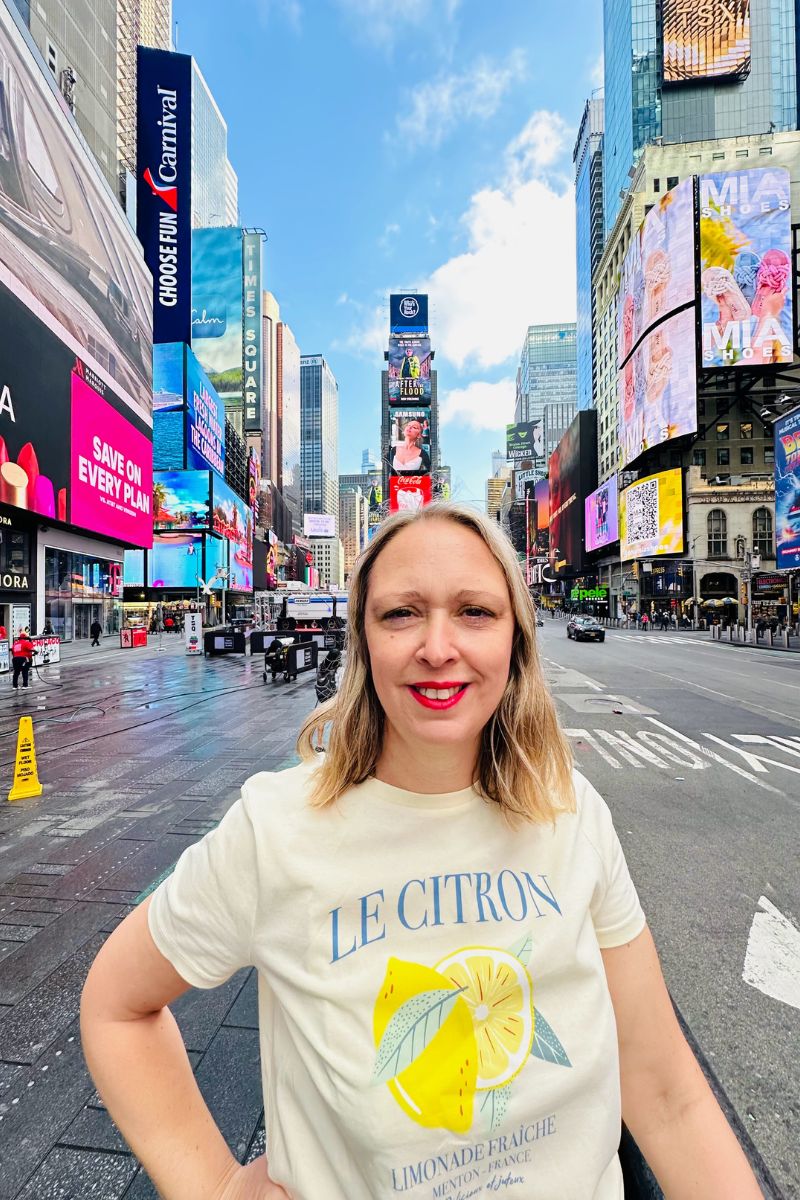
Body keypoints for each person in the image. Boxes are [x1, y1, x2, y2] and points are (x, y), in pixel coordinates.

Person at [80, 503, 763, 1200]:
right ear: (362, 640)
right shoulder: (276, 828)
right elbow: (116, 1005)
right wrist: (217, 1186)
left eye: (475, 612)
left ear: (517, 642)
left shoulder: (572, 811)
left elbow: (666, 1092)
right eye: (402, 614)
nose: (438, 647)